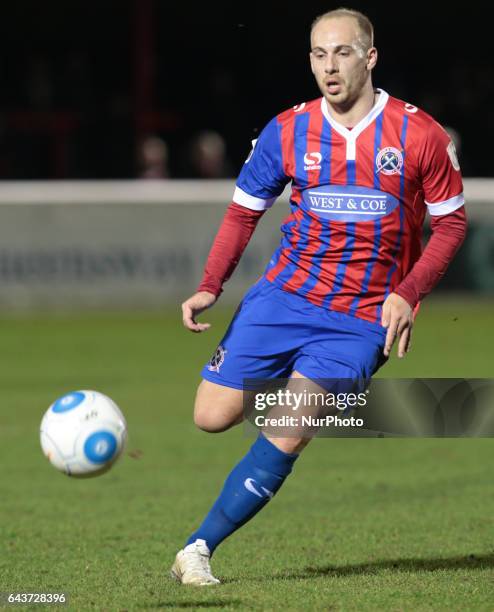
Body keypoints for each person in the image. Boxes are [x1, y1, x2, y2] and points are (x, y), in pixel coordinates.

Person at [171, 7, 467, 585]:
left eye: (342, 53)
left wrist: (408, 293)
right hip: (284, 297)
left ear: (370, 57)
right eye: (318, 54)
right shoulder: (287, 130)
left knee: (291, 423)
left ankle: (197, 548)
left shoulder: (420, 134)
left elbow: (451, 226)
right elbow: (242, 213)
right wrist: (211, 284)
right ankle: (302, 386)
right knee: (211, 416)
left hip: (362, 316)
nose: (329, 67)